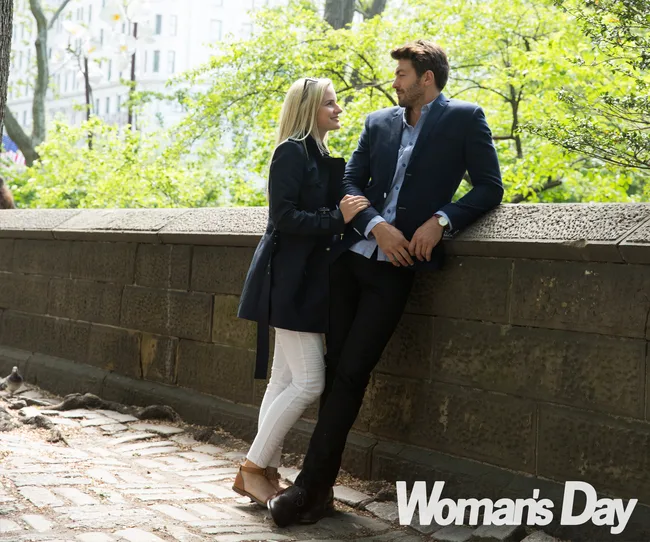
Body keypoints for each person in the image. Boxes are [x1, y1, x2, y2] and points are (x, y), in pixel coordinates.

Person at [269, 40, 504, 527]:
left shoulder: (465, 118)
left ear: (426, 78)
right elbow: (349, 181)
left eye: (401, 74)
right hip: (349, 261)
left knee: (351, 372)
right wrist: (376, 224)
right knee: (334, 371)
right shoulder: (378, 122)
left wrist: (441, 220)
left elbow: (489, 186)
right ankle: (316, 491)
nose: (394, 82)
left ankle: (308, 488)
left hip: (396, 271)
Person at [235, 77, 370, 507]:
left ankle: (264, 472)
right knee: (310, 382)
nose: (338, 109)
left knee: (283, 380)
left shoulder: (320, 155)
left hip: (306, 281)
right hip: (288, 281)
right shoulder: (291, 152)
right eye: (330, 103)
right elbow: (284, 217)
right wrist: (337, 218)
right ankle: (252, 468)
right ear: (309, 108)